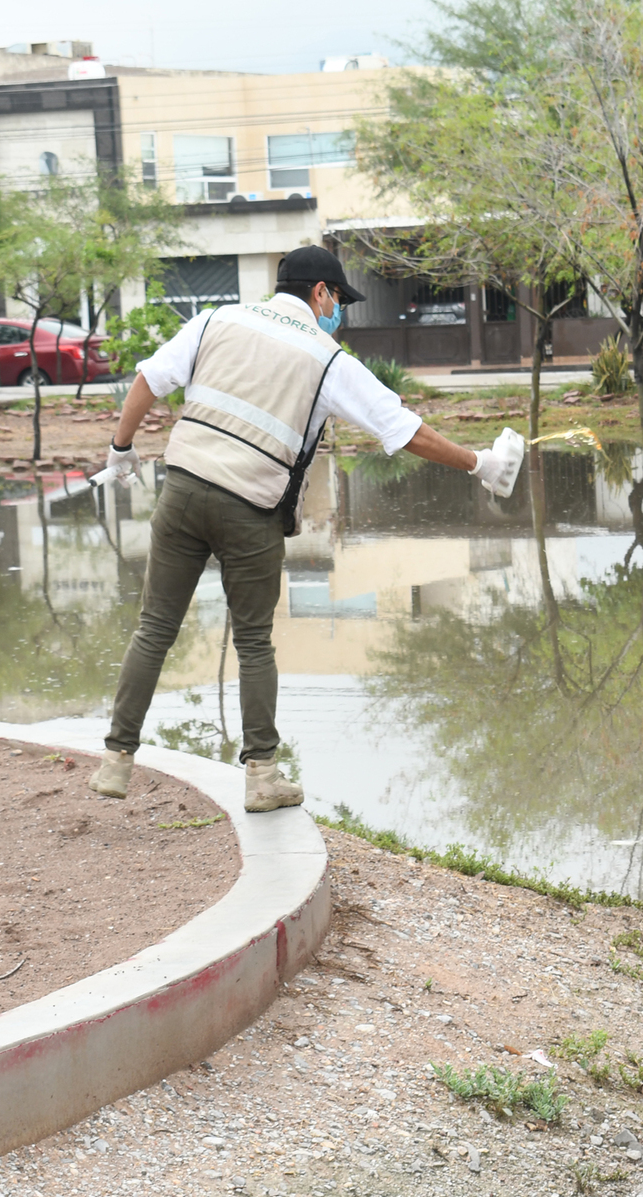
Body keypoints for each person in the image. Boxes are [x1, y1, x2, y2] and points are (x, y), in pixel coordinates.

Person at [89, 245, 523, 811]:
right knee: (252, 643)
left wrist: (121, 449)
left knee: (153, 629)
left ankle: (116, 762)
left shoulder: (216, 320)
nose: (338, 311)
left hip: (183, 491)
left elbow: (149, 379)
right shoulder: (327, 358)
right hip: (249, 508)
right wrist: (481, 465)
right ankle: (263, 779)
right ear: (321, 292)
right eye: (339, 299)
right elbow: (405, 431)